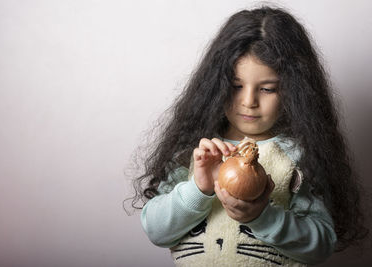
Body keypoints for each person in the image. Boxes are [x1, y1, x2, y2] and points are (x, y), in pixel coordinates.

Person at [128, 5, 368, 266]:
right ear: (216, 86)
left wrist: (262, 216)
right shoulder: (196, 153)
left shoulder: (298, 158)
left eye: (267, 89)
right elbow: (156, 231)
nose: (249, 101)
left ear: (294, 92)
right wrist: (198, 188)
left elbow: (321, 245)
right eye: (235, 86)